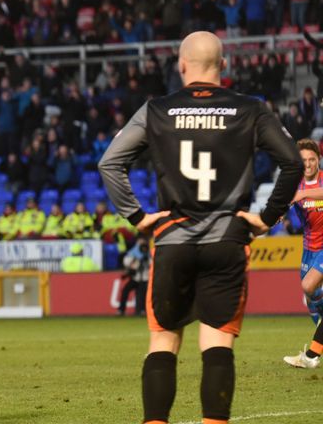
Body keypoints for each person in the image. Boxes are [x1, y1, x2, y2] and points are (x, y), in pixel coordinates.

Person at [98, 31, 302, 424]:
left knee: (163, 340)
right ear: (223, 65)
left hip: (172, 241)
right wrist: (267, 217)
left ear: (181, 65)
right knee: (217, 342)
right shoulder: (250, 109)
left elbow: (110, 163)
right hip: (227, 240)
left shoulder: (156, 109)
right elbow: (293, 161)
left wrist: (137, 216)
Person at [283, 139, 323, 368]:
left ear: (319, 159)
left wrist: (301, 195)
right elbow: (280, 206)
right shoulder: (293, 184)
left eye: (312, 159)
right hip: (309, 247)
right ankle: (315, 351)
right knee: (309, 297)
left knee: (308, 285)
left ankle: (312, 356)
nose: (308, 164)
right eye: (304, 160)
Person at [117, 237, 150, 317]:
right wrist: (135, 260)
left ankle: (142, 310)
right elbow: (127, 263)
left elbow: (150, 264)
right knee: (125, 291)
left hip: (144, 279)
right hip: (135, 278)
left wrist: (146, 260)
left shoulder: (148, 255)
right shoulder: (133, 254)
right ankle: (121, 310)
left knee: (142, 295)